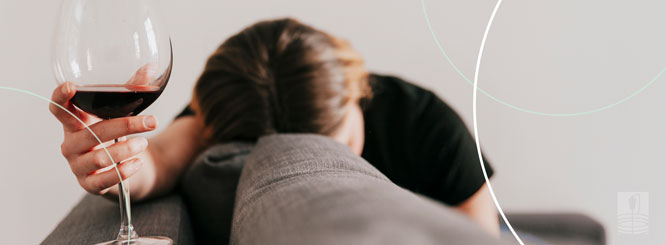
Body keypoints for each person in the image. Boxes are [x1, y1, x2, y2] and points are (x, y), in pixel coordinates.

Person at [49, 18, 499, 235]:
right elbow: (158, 160)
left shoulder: (424, 122)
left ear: (356, 91)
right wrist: (110, 161)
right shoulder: (230, 115)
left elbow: (482, 233)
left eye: (338, 145)